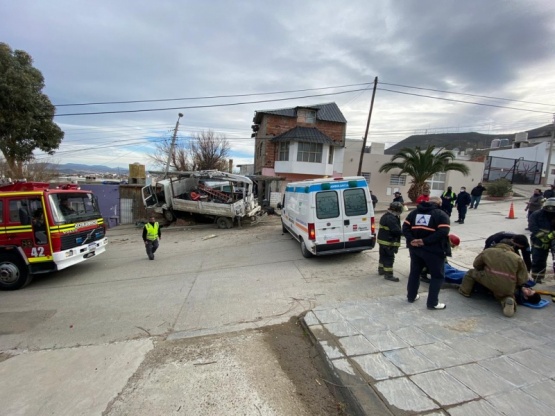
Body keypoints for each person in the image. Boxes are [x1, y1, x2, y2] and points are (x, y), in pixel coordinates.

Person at [402, 196, 451, 310]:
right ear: (439, 203)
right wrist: (424, 241)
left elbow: (405, 227)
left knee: (415, 273)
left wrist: (412, 240)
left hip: (415, 249)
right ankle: (432, 303)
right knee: (437, 276)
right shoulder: (441, 214)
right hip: (433, 250)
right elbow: (443, 231)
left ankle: (411, 296)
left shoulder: (414, 213)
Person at [458, 239, 529, 317]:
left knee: (471, 273)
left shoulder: (488, 251)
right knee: (504, 295)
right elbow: (523, 279)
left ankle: (464, 291)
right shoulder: (517, 258)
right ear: (511, 247)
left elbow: (476, 265)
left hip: (489, 280)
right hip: (507, 286)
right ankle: (508, 301)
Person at [528, 198, 555, 283]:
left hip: (554, 239)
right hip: (538, 240)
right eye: (549, 207)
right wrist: (544, 238)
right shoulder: (536, 214)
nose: (551, 210)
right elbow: (533, 227)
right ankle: (537, 278)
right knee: (538, 259)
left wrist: (552, 236)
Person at [377, 202, 404, 282]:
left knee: (383, 256)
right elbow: (396, 231)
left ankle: (381, 269)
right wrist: (407, 233)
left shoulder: (386, 216)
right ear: (397, 209)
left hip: (383, 241)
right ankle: (388, 275)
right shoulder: (391, 218)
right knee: (389, 258)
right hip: (388, 242)